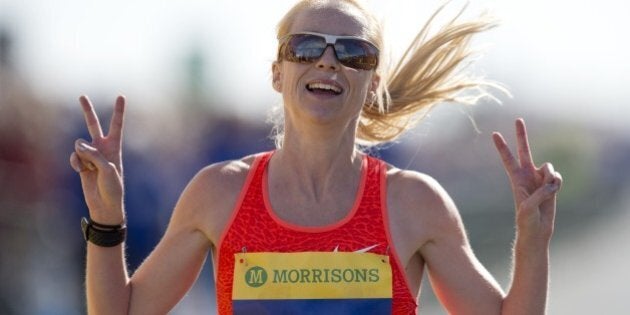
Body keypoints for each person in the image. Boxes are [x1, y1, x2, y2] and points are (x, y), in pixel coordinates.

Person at [69, 0, 563, 314]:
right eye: (305, 47)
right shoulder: (219, 193)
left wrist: (532, 244)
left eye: (354, 53)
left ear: (372, 85)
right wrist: (107, 220)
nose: (328, 60)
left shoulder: (413, 202)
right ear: (277, 73)